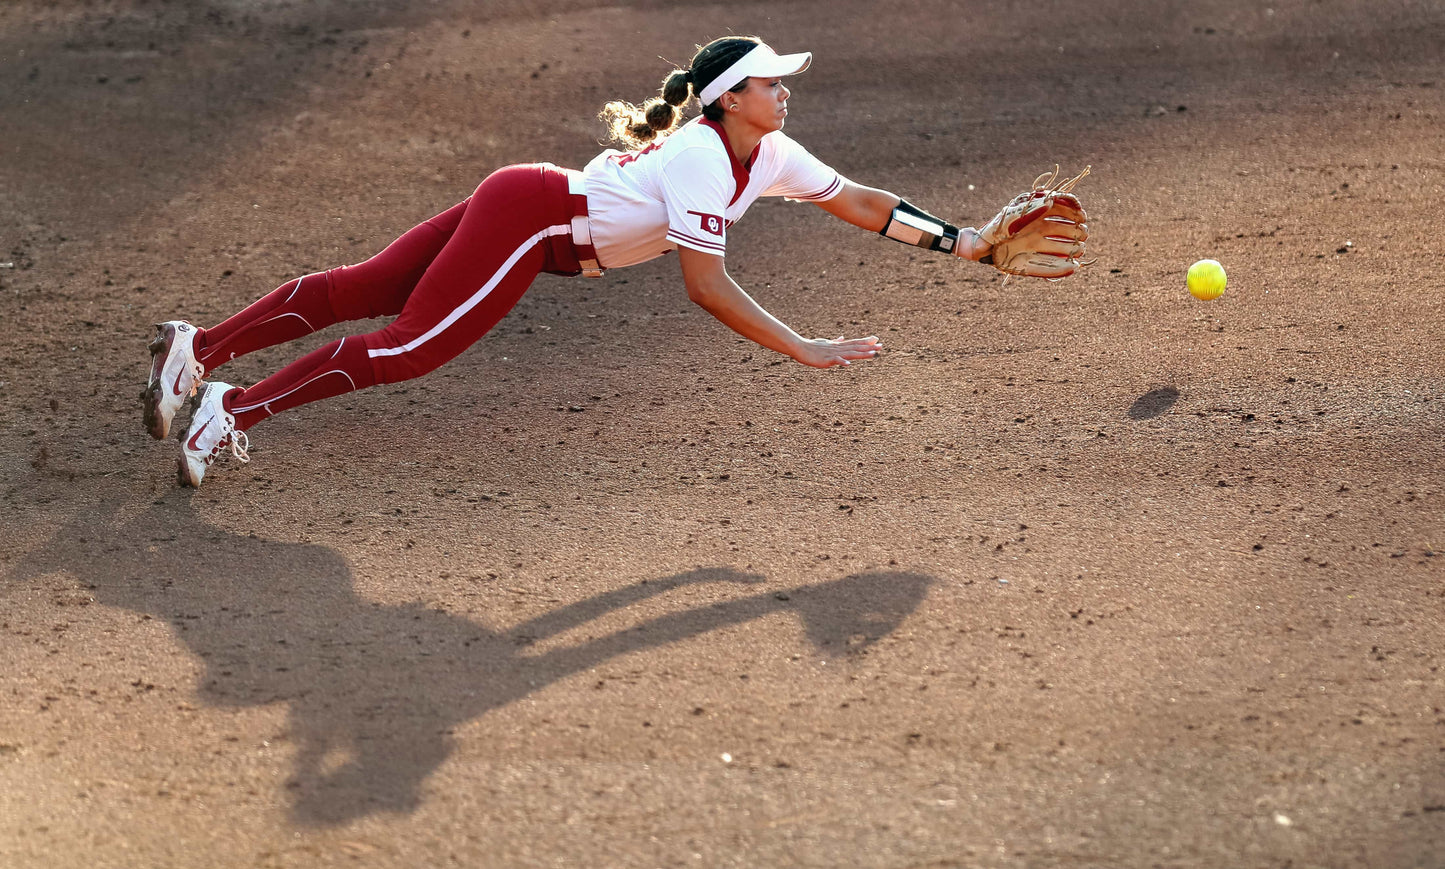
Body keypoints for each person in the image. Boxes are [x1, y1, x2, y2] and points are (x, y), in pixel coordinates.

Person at [143, 36, 1005, 488]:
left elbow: (860, 202)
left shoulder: (769, 153)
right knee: (410, 344)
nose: (785, 92)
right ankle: (229, 406)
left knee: (368, 289)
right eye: (770, 82)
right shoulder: (703, 155)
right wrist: (802, 346)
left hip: (531, 204)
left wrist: (967, 242)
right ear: (730, 99)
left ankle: (200, 348)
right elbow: (705, 286)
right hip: (537, 220)